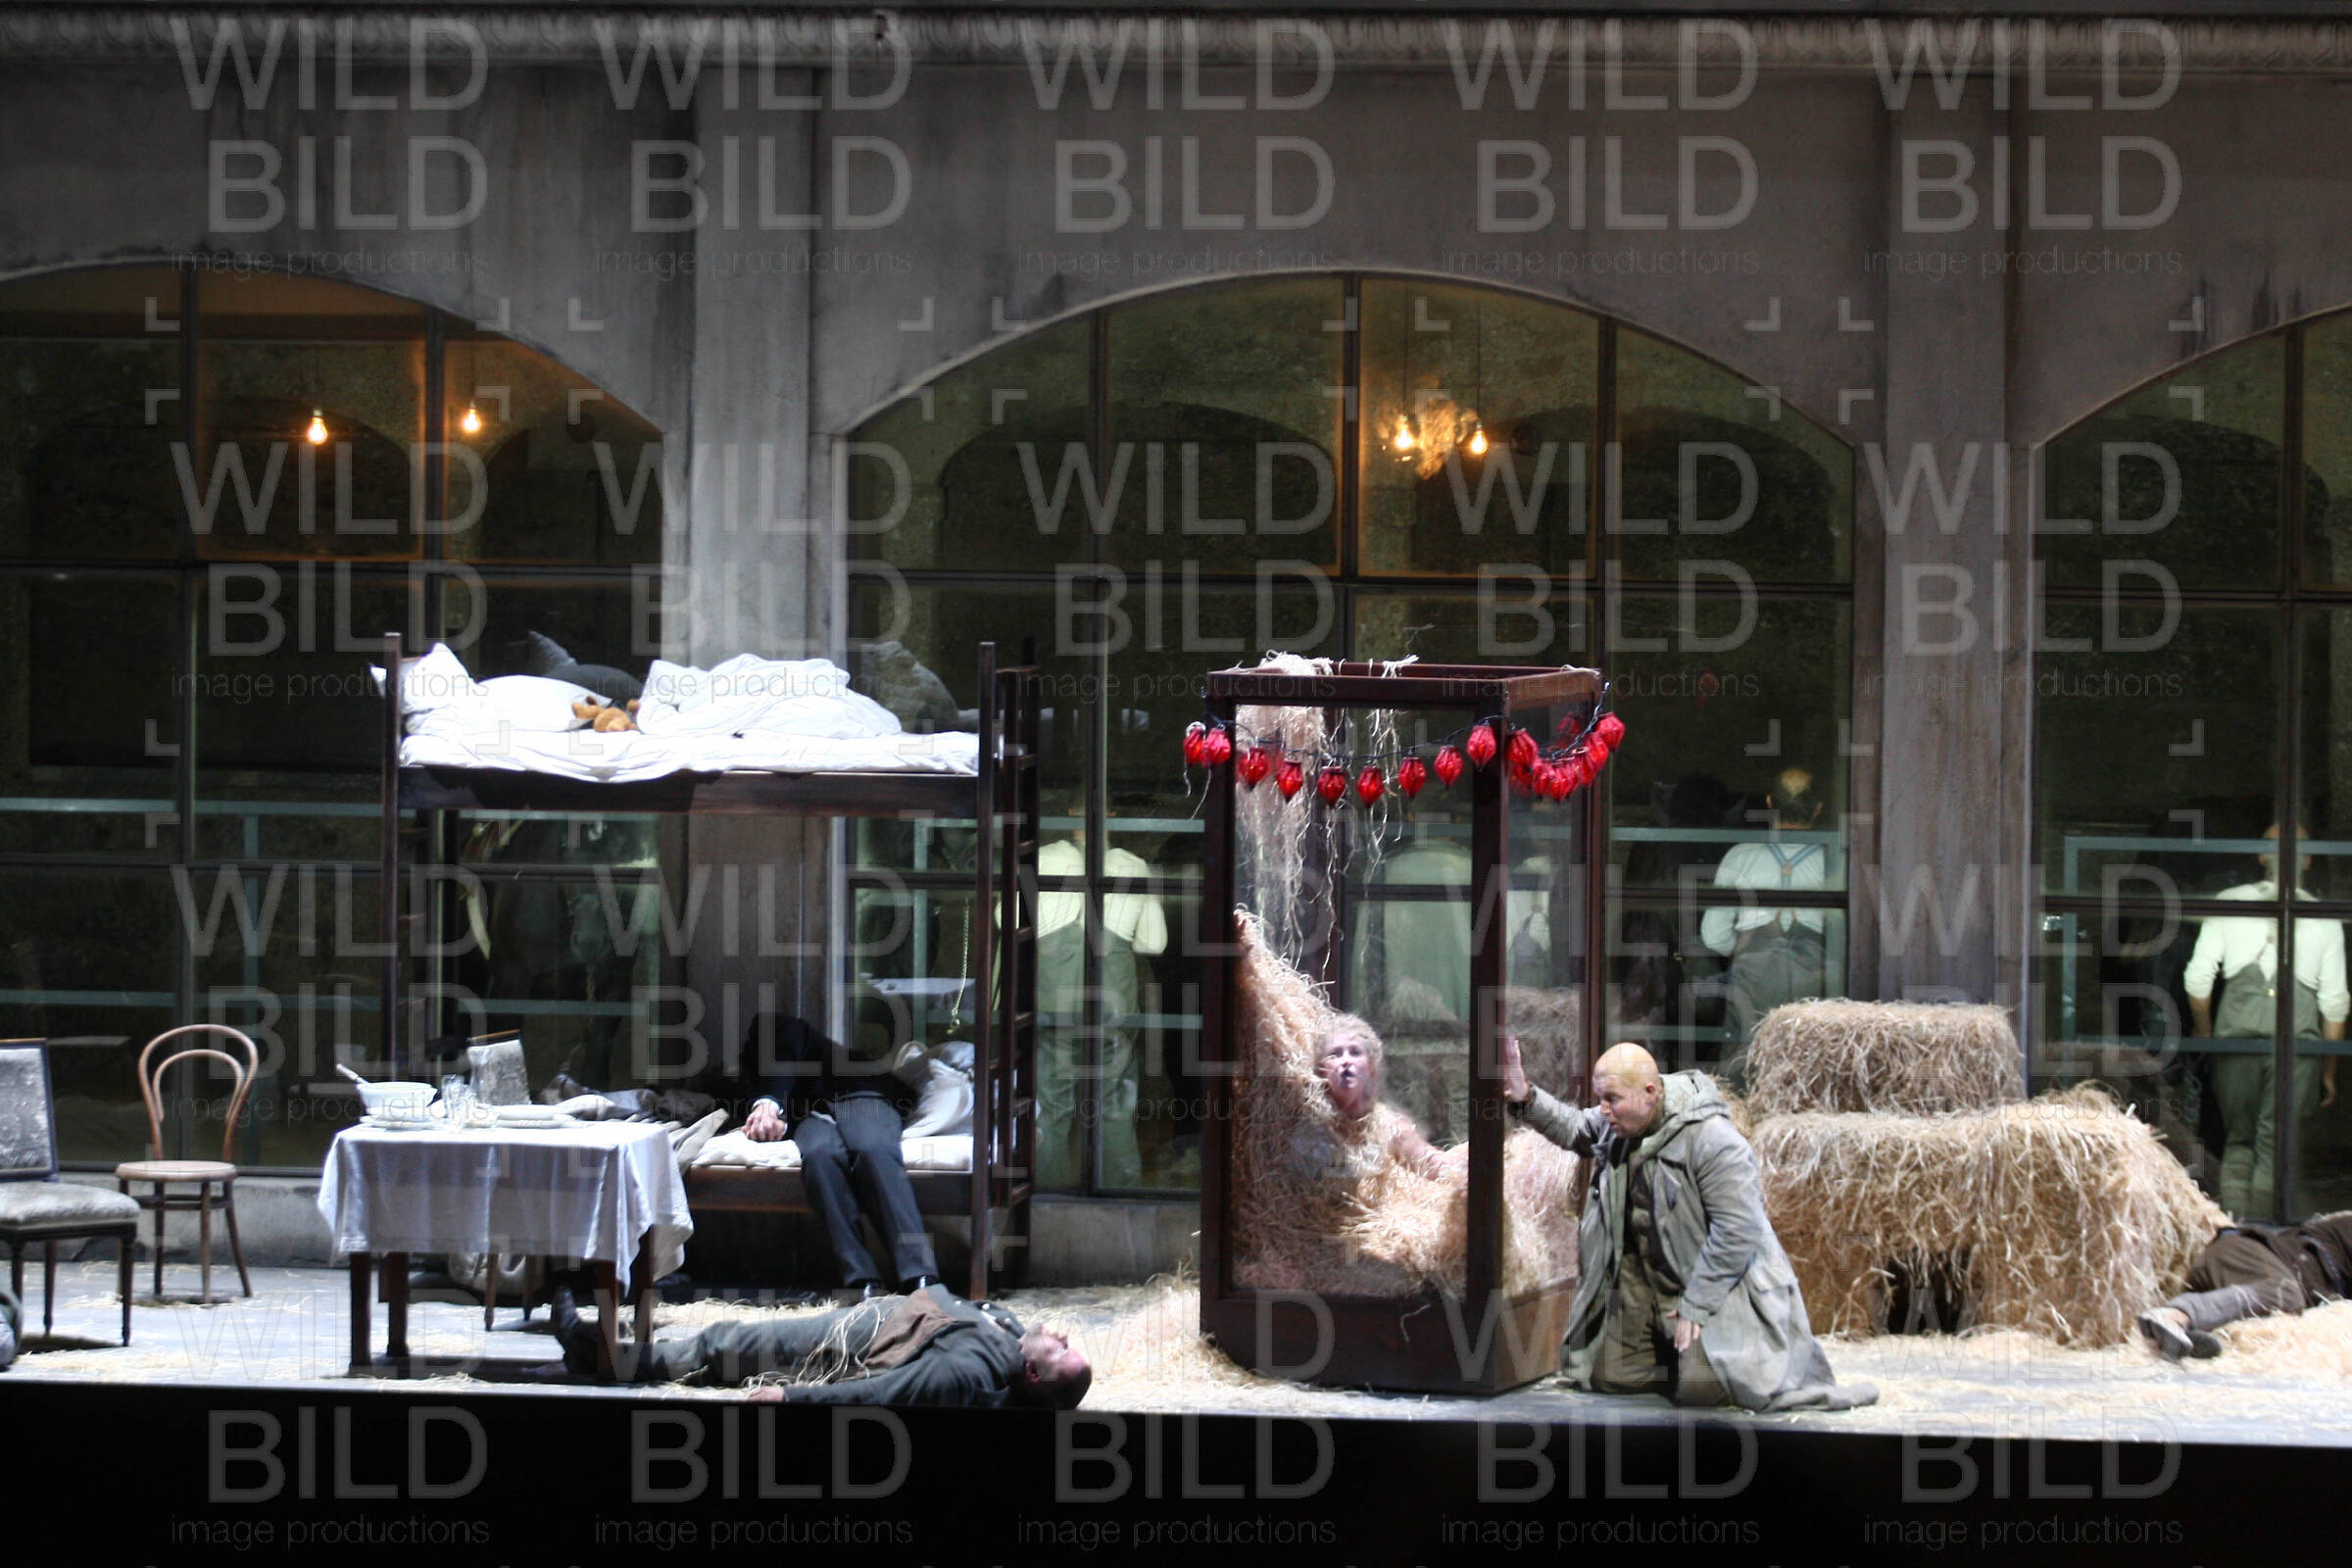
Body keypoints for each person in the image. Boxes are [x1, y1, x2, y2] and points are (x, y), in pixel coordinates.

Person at [1500, 1039, 1874, 1411]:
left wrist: (1697, 1304)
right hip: (1644, 1291)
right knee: (1608, 1376)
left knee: (1703, 1392)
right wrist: (1525, 1095)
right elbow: (1575, 1127)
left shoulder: (1714, 1141)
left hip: (1708, 1290)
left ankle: (1703, 1359)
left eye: (1612, 1099)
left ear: (1650, 1092)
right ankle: (1671, 1355)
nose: (1604, 1110)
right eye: (1601, 1099)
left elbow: (1737, 1232)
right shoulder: (1623, 1122)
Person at [546, 1282, 1091, 1407]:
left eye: (1062, 1350)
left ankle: (600, 1357)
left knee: (727, 1345)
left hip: (860, 1340)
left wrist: (794, 1398)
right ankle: (600, 1354)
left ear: (1034, 1375)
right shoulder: (1014, 1338)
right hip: (882, 1315)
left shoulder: (969, 1372)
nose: (1063, 1335)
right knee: (732, 1346)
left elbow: (884, 1394)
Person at [2183, 822, 2346, 1218]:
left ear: (2260, 856)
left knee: (2239, 1142)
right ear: (2308, 860)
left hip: (2235, 1037)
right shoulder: (2324, 917)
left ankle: (2235, 1229)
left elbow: (2197, 979)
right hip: (2297, 1044)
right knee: (2277, 1146)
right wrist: (2328, 1071)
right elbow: (2335, 1004)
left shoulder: (2229, 902)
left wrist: (2208, 1035)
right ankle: (2265, 1232)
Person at [742, 1011, 938, 1300]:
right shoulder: (746, 1074)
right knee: (819, 1156)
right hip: (808, 1117)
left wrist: (768, 1102)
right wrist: (773, 1122)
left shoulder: (775, 1027)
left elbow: (781, 1064)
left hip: (859, 1093)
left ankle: (920, 1274)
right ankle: (861, 1279)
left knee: (871, 1149)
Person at [1036, 831, 1168, 1190]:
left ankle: (1048, 1195)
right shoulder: (1133, 866)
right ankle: (1118, 1194)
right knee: (1113, 1102)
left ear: (1068, 815)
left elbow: (1006, 918)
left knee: (1051, 1102)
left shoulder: (1043, 858)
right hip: (1114, 998)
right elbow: (1154, 942)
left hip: (1054, 997)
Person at [1700, 767, 1833, 1056]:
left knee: (1745, 1061)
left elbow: (1713, 936)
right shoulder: (1834, 861)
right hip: (1814, 983)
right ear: (1818, 809)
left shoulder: (1739, 856)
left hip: (1752, 981)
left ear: (1770, 803)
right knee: (1808, 1060)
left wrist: (1745, 948)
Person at [2138, 1211, 2352, 1359]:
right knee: (2284, 1294)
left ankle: (2188, 1336)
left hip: (2239, 1288)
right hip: (2243, 1253)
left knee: (2280, 1316)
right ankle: (2175, 1315)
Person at [1308, 1012, 1461, 1182]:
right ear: (1321, 1069)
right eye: (1335, 1054)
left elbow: (1437, 1167)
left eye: (1355, 1052)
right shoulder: (1310, 1126)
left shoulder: (1389, 1128)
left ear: (1371, 1067)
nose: (1346, 1061)